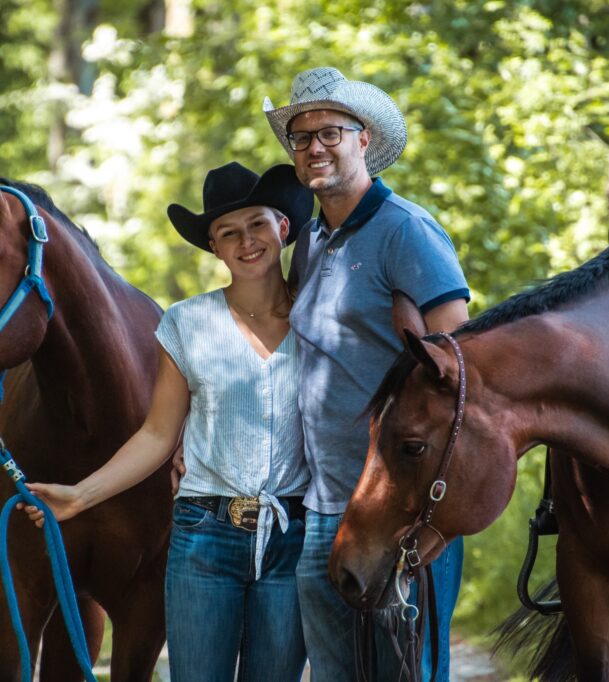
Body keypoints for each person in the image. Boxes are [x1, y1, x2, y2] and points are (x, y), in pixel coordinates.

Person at [21, 162, 314, 682]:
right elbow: (158, 433)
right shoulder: (187, 322)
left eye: (257, 225)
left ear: (283, 228)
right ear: (214, 248)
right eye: (228, 233)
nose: (246, 241)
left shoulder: (317, 319)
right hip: (206, 536)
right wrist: (81, 495)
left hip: (292, 535)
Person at [262, 67, 470, 681]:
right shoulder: (313, 238)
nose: (314, 147)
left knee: (404, 672)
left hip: (398, 505)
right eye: (301, 138)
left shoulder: (407, 230)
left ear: (363, 139)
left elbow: (462, 374)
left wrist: (439, 514)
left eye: (330, 132)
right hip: (324, 505)